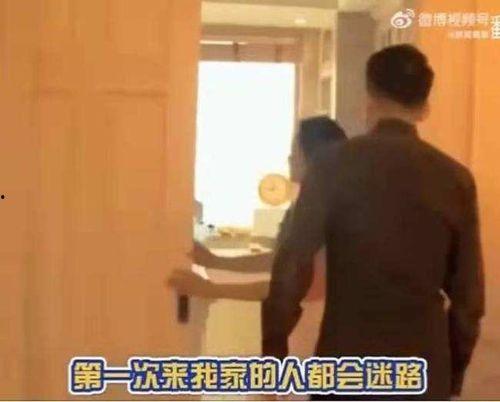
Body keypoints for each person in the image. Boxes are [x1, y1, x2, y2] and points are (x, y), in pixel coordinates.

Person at [262, 44, 484, 400]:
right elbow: (469, 301)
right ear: (424, 107)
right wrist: (452, 377)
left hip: (345, 360)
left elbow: (291, 268)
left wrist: (273, 357)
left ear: (370, 97)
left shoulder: (331, 166)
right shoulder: (454, 179)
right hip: (424, 368)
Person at [168, 116, 347, 301]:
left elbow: (299, 285)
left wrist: (212, 289)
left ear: (313, 157)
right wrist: (216, 262)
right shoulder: (312, 204)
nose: (290, 158)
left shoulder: (330, 210)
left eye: (296, 152)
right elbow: (281, 261)